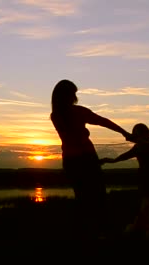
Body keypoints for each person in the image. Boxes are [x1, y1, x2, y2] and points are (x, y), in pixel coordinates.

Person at [50, 79, 132, 237]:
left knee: (82, 197)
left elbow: (73, 134)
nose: (75, 96)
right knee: (98, 196)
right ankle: (101, 231)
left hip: (71, 162)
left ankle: (86, 232)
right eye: (73, 93)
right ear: (67, 95)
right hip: (86, 159)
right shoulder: (78, 112)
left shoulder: (56, 115)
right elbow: (103, 122)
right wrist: (124, 133)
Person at [100, 123, 149, 238]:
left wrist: (132, 138)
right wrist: (110, 160)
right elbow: (124, 156)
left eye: (136, 131)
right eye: (133, 132)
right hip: (145, 175)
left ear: (143, 132)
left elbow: (145, 144)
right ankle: (144, 226)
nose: (134, 133)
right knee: (146, 200)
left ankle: (148, 227)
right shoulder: (137, 147)